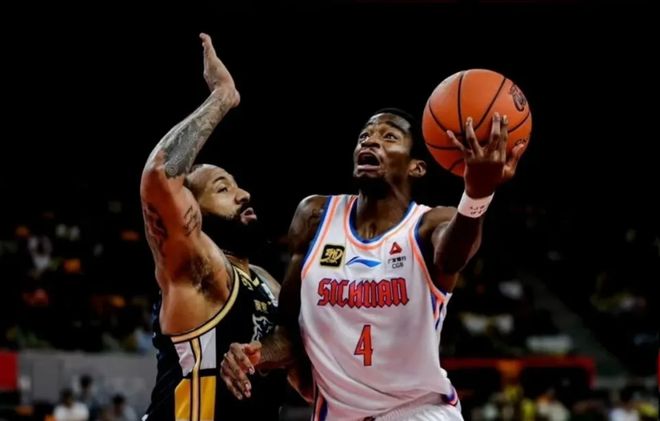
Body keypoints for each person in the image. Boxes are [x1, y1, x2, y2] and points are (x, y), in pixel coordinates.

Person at [221, 107, 525, 420]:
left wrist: (477, 196)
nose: (370, 141)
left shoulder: (430, 224)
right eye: (364, 136)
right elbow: (289, 329)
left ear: (416, 167)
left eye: (389, 136)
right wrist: (256, 354)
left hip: (419, 411)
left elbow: (453, 256)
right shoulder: (315, 216)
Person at [140, 33, 286, 421]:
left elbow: (302, 343)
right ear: (193, 213)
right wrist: (222, 96)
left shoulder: (266, 281)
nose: (243, 194)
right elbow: (159, 176)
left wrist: (263, 353)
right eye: (223, 188)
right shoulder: (198, 267)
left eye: (236, 185)